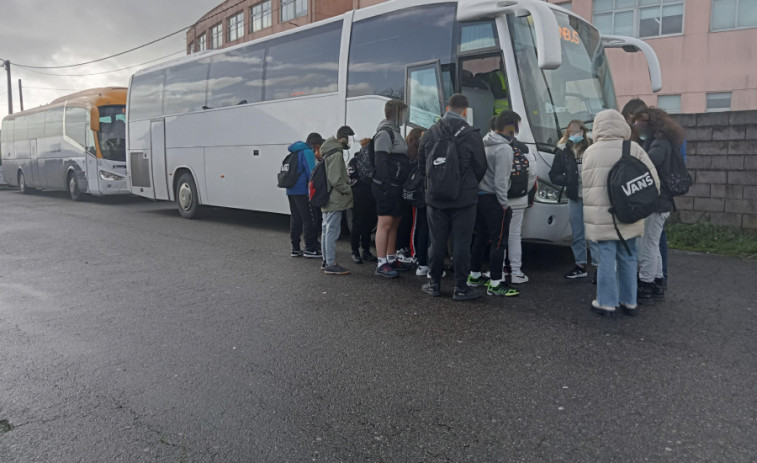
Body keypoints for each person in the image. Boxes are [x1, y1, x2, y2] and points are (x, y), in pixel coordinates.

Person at [582, 109, 660, 316]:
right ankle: (629, 301)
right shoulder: (633, 148)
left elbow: (586, 186)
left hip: (602, 215)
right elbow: (653, 182)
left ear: (597, 127)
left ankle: (607, 303)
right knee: (629, 255)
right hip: (629, 212)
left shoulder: (590, 151)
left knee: (606, 257)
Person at [417, 94, 488, 300]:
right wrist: (468, 184)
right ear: (465, 111)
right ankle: (460, 288)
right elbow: (481, 166)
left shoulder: (430, 133)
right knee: (461, 242)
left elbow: (422, 167)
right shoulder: (472, 134)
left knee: (437, 242)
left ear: (447, 108)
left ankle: (434, 284)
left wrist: (434, 185)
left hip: (436, 198)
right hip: (464, 199)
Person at [632, 107, 683, 301]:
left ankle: (646, 283)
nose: (637, 125)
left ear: (651, 123)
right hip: (661, 202)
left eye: (640, 122)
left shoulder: (659, 144)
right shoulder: (660, 141)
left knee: (648, 244)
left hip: (656, 201)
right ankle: (657, 280)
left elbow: (647, 165)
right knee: (653, 243)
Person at [468, 111, 520, 297]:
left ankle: (474, 275)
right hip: (493, 198)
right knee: (499, 241)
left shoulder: (485, 142)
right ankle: (496, 282)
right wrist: (504, 204)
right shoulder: (504, 148)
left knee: (481, 237)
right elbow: (501, 180)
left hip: (479, 196)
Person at [549, 120, 599, 280]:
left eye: (578, 132)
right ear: (567, 133)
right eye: (572, 133)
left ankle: (599, 267)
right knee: (577, 233)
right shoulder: (563, 150)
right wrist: (568, 179)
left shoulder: (592, 147)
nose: (575, 135)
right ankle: (580, 265)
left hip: (592, 197)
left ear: (584, 132)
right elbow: (553, 175)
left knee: (595, 233)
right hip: (574, 196)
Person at [372, 99, 413, 278]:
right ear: (396, 113)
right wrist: (386, 185)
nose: (406, 116)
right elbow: (380, 161)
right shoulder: (385, 133)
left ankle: (390, 256)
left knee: (395, 222)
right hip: (386, 186)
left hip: (396, 185)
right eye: (403, 112)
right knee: (385, 223)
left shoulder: (395, 132)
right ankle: (381, 262)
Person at [500, 111, 537, 285]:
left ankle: (497, 271)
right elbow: (533, 173)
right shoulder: (523, 148)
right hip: (519, 199)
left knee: (498, 236)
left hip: (498, 200)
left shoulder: (490, 144)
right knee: (515, 235)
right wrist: (523, 190)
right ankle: (515, 271)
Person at [319, 126, 355, 275]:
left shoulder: (328, 151)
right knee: (332, 231)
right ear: (344, 138)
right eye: (350, 138)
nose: (350, 142)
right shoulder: (337, 154)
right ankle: (331, 264)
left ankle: (326, 260)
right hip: (334, 198)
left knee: (326, 230)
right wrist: (349, 189)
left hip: (326, 196)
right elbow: (336, 180)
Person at [286, 133, 324, 259]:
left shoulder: (294, 152)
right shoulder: (307, 152)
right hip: (303, 191)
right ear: (316, 145)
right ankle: (310, 248)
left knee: (296, 219)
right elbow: (312, 173)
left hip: (291, 190)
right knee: (310, 220)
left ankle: (295, 248)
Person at [348, 138, 378, 265]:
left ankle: (366, 251)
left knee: (369, 225)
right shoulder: (355, 161)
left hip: (371, 197)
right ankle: (355, 251)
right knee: (358, 224)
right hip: (359, 197)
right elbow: (351, 179)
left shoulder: (375, 161)